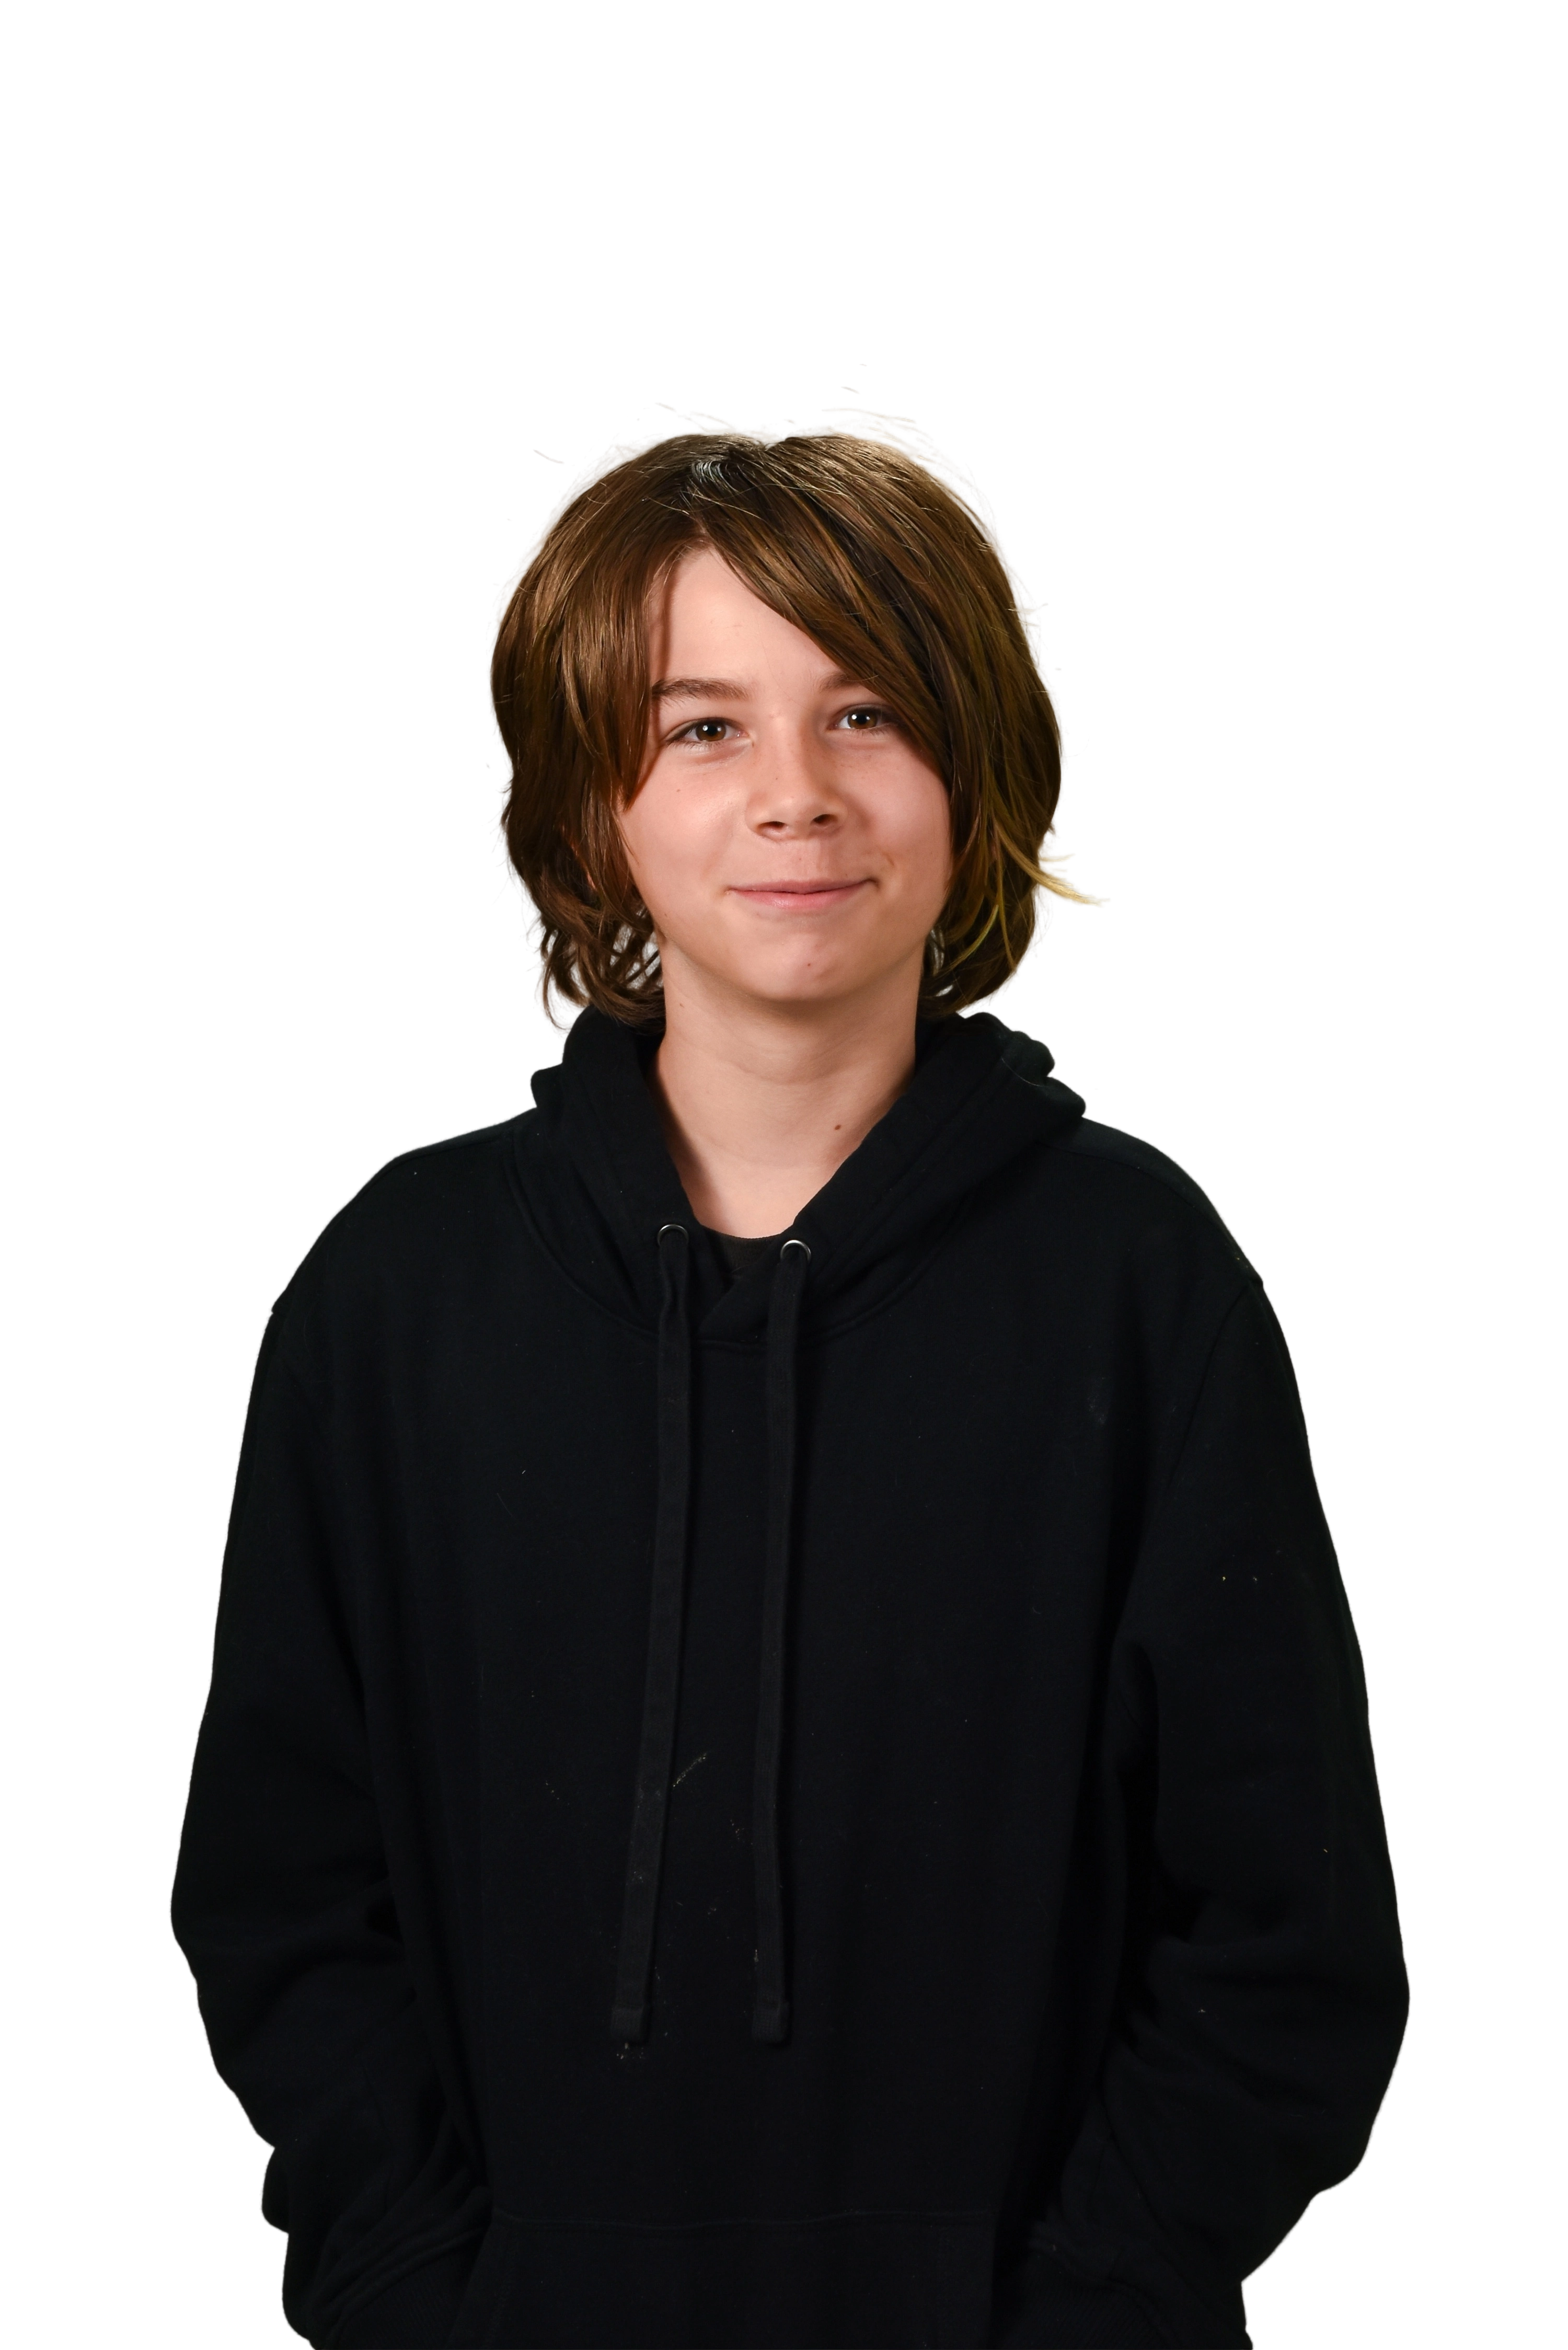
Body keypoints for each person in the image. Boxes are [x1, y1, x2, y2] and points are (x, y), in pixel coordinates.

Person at [168, 409, 1411, 2350]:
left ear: (974, 771)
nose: (796, 798)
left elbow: (1288, 1931)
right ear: (591, 801)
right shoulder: (392, 1302)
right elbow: (285, 1902)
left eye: (867, 714)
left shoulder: (1140, 1283)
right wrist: (427, 2298)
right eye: (703, 727)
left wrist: (1091, 2307)